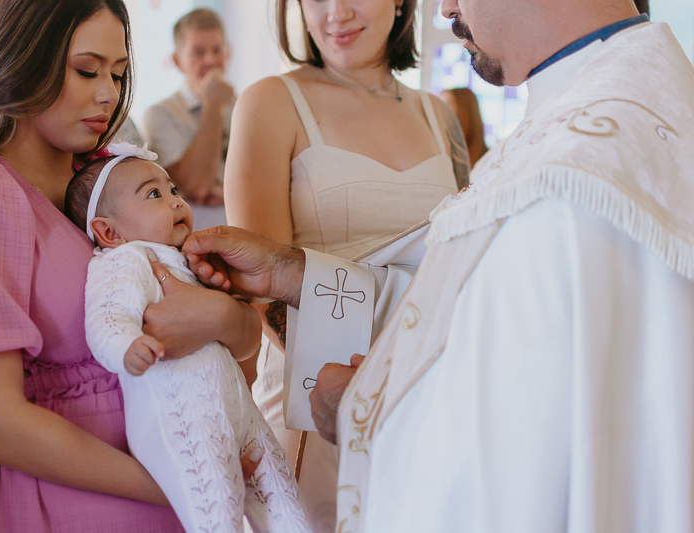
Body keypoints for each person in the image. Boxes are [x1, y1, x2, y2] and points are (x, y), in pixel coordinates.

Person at [181, 0, 694, 531]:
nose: (445, 5)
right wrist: (293, 275)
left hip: (369, 383)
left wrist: (370, 399)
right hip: (313, 386)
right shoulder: (604, 109)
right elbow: (466, 280)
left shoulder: (568, 162)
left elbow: (513, 387)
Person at [0, 1, 261, 531]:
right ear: (20, 58)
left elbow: (244, 333)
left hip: (179, 470)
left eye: (118, 73)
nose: (108, 93)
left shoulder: (116, 179)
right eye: (86, 70)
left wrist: (227, 319)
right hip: (58, 492)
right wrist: (180, 484)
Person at [223, 0, 469, 529]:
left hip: (421, 383)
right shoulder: (271, 102)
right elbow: (263, 287)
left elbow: (459, 260)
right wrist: (359, 386)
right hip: (317, 389)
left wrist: (412, 379)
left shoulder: (439, 114)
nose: (336, 13)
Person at [64, 142, 311, 533]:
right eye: (154, 194)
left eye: (173, 190)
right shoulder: (127, 260)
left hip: (239, 412)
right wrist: (128, 346)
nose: (176, 202)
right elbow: (107, 318)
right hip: (186, 416)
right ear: (109, 232)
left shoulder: (185, 258)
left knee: (283, 495)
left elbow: (241, 329)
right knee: (216, 509)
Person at [142, 8, 233, 230]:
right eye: (198, 52)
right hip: (199, 237)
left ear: (227, 53)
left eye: (217, 50)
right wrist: (213, 105)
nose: (211, 60)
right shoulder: (159, 115)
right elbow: (196, 187)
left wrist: (229, 193)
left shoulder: (247, 106)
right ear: (178, 61)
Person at [439, 87, 488, 167]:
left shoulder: (488, 160)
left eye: (447, 104)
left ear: (465, 112)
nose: (439, 111)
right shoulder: (439, 152)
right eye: (439, 105)